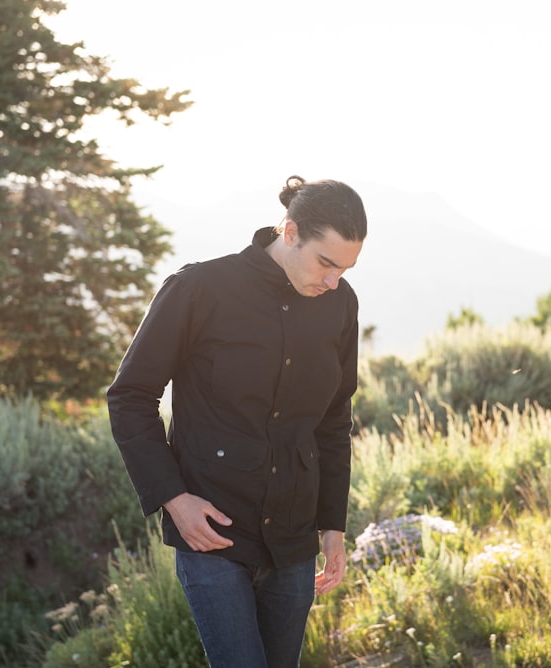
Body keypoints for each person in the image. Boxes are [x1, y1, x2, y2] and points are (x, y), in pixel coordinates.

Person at [106, 175, 367, 667]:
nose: (334, 282)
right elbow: (130, 396)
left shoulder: (340, 303)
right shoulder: (199, 288)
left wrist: (333, 525)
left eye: (346, 269)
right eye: (326, 264)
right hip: (212, 536)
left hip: (293, 539)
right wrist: (174, 499)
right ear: (289, 233)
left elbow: (334, 420)